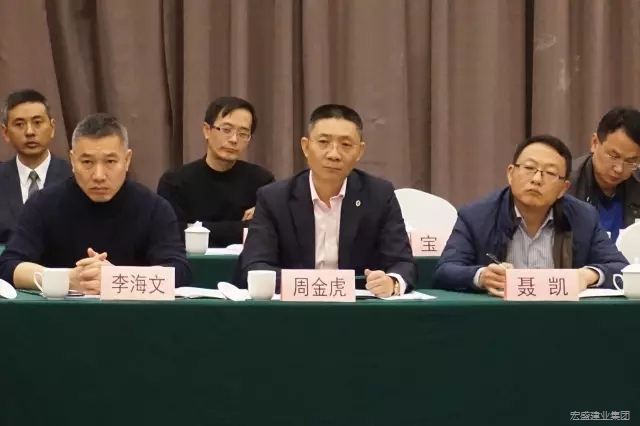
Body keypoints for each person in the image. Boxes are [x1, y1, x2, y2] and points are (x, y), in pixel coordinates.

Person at [0, 113, 191, 293]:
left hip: (133, 314)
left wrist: (116, 278)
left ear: (127, 160)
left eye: (110, 162)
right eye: (87, 162)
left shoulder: (154, 208)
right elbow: (8, 266)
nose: (99, 176)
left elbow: (179, 272)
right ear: (72, 161)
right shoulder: (43, 204)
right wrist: (66, 279)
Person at [240, 104, 416, 296]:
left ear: (360, 151)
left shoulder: (379, 195)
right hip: (293, 307)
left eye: (346, 145)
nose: (334, 154)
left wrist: (392, 282)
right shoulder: (274, 198)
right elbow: (255, 265)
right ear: (306, 147)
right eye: (324, 142)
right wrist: (314, 287)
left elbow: (402, 263)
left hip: (357, 308)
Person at [433, 135, 628, 296]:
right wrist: (482, 276)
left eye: (550, 173)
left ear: (563, 188)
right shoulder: (476, 216)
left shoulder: (583, 218)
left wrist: (587, 276)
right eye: (528, 168)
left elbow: (620, 268)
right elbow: (445, 271)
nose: (536, 179)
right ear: (511, 174)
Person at [157, 96, 275, 247]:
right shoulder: (174, 182)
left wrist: (195, 228)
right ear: (207, 130)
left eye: (243, 133)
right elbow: (172, 234)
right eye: (226, 130)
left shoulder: (263, 183)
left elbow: (267, 233)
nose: (234, 139)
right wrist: (241, 228)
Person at [0, 89, 72, 244]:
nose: (29, 132)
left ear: (52, 127)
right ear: (5, 133)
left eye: (37, 123)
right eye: (19, 124)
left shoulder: (74, 176)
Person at [569, 107, 640, 241]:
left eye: (631, 161)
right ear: (594, 143)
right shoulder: (565, 184)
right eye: (613, 156)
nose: (619, 169)